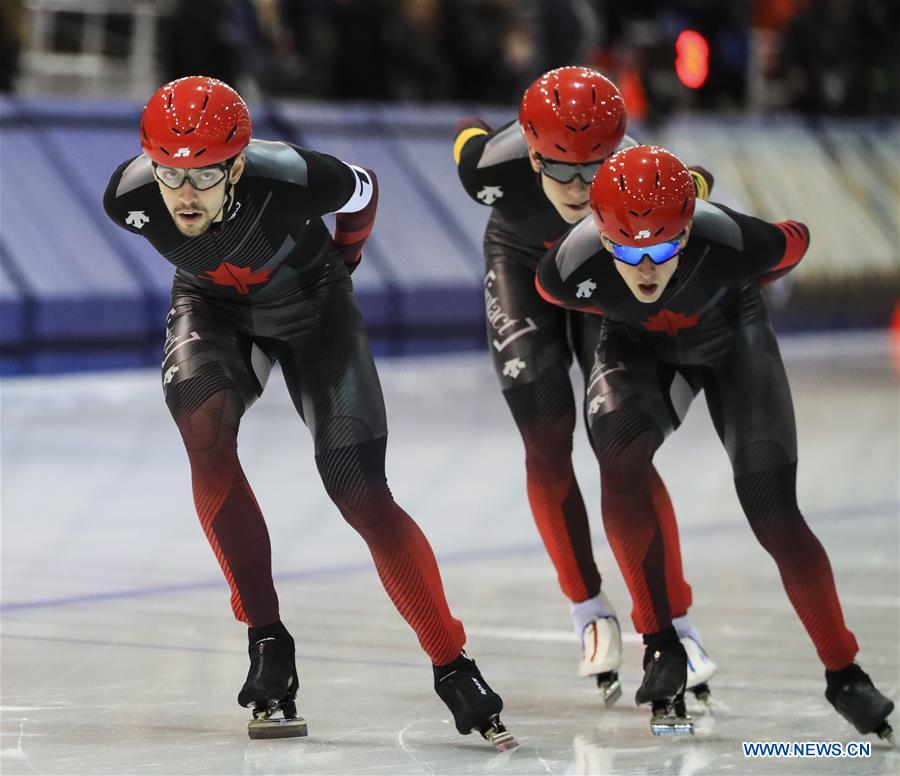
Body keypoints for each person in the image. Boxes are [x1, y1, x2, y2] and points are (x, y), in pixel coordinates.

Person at [102, 75, 516, 750]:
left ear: (237, 165)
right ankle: (266, 638)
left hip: (313, 308)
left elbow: (366, 188)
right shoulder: (128, 197)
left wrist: (347, 256)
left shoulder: (293, 176)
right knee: (203, 430)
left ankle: (452, 662)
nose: (183, 193)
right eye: (170, 173)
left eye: (204, 176)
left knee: (358, 488)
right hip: (212, 309)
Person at [535, 144, 896, 740]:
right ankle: (660, 643)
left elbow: (795, 239)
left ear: (687, 229)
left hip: (734, 342)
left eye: (662, 248)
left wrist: (746, 283)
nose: (646, 267)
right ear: (600, 236)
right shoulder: (567, 271)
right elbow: (557, 292)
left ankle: (845, 672)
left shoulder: (730, 241)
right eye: (627, 250)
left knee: (773, 512)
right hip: (642, 351)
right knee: (618, 456)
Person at [453, 66, 716, 705]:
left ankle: (675, 622)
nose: (575, 187)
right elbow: (466, 140)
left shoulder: (640, 171)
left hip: (606, 266)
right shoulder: (490, 169)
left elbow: (697, 192)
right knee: (545, 435)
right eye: (557, 169)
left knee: (620, 446)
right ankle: (588, 611)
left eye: (592, 170)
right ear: (530, 152)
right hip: (521, 262)